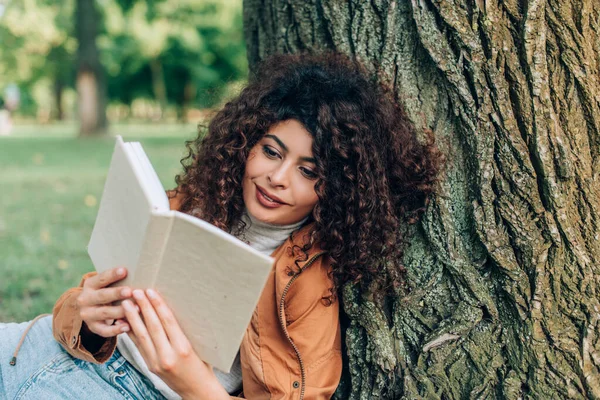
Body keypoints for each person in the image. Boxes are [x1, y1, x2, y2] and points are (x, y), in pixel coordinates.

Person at [0, 51, 443, 399]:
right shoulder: (196, 202)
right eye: (271, 152)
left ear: (338, 190)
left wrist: (192, 381)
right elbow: (73, 310)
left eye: (309, 172)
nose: (277, 177)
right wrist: (85, 310)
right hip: (35, 350)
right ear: (247, 143)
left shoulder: (310, 286)